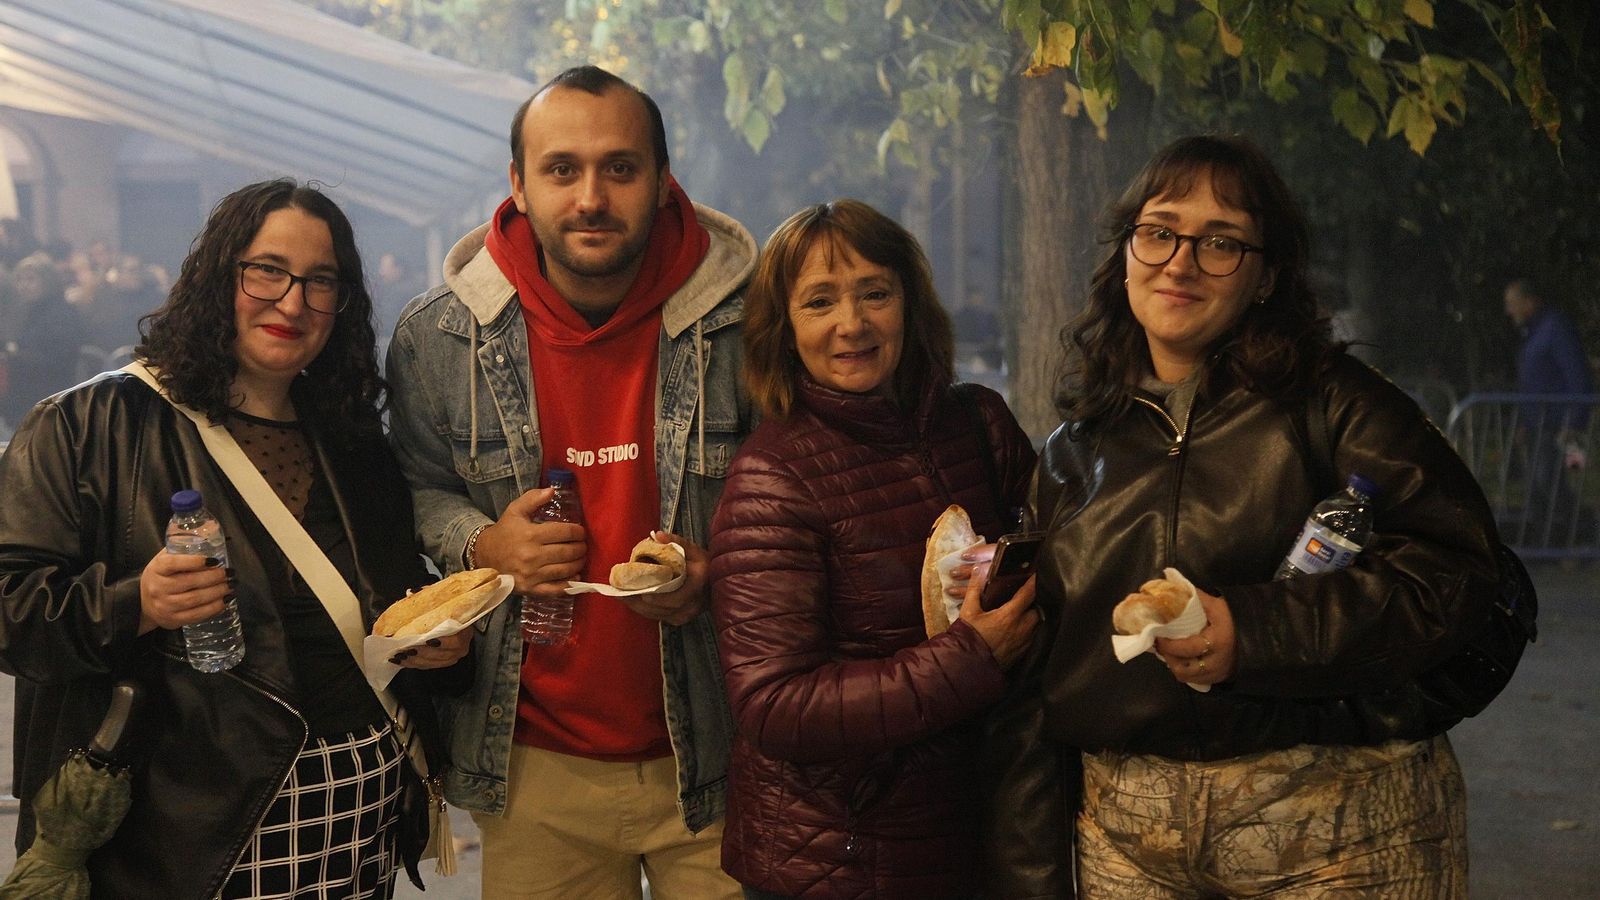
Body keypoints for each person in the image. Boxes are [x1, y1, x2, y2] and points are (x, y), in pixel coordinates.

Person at [984, 135, 1503, 898]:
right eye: (1159, 232)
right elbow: (1034, 696)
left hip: (1337, 831)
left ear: (1266, 277)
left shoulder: (1336, 403)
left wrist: (1255, 634)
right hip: (1128, 846)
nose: (1180, 262)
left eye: (1221, 242)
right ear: (1126, 252)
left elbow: (1455, 574)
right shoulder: (1072, 451)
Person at [0, 179, 469, 899]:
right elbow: (10, 606)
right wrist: (135, 603)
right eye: (268, 271)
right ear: (218, 275)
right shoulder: (88, 424)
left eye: (320, 282)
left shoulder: (353, 442)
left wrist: (434, 645)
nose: (293, 302)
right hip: (190, 828)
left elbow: (387, 599)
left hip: (361, 807)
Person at [386, 65, 755, 899]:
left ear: (663, 180)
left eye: (620, 168)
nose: (591, 198)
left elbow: (804, 499)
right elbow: (411, 488)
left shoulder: (750, 321)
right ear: (518, 185)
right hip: (532, 768)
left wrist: (717, 573)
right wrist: (483, 542)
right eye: (562, 169)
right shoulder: (439, 337)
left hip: (725, 750)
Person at [708, 199, 1040, 899]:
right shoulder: (772, 477)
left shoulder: (980, 423)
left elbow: (1052, 567)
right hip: (838, 859)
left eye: (875, 294)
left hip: (981, 828)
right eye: (819, 301)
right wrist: (971, 659)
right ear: (783, 329)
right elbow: (773, 705)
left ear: (910, 304)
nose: (852, 323)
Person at [1503, 277, 1592, 544]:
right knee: (1536, 486)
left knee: (1549, 482)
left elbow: (1577, 376)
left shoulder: (1555, 328)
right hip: (1538, 424)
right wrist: (1524, 422)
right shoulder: (1534, 332)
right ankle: (1546, 544)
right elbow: (1533, 382)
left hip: (1555, 424)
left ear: (1530, 302)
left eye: (1513, 304)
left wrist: (1574, 421)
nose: (1509, 311)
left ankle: (1583, 535)